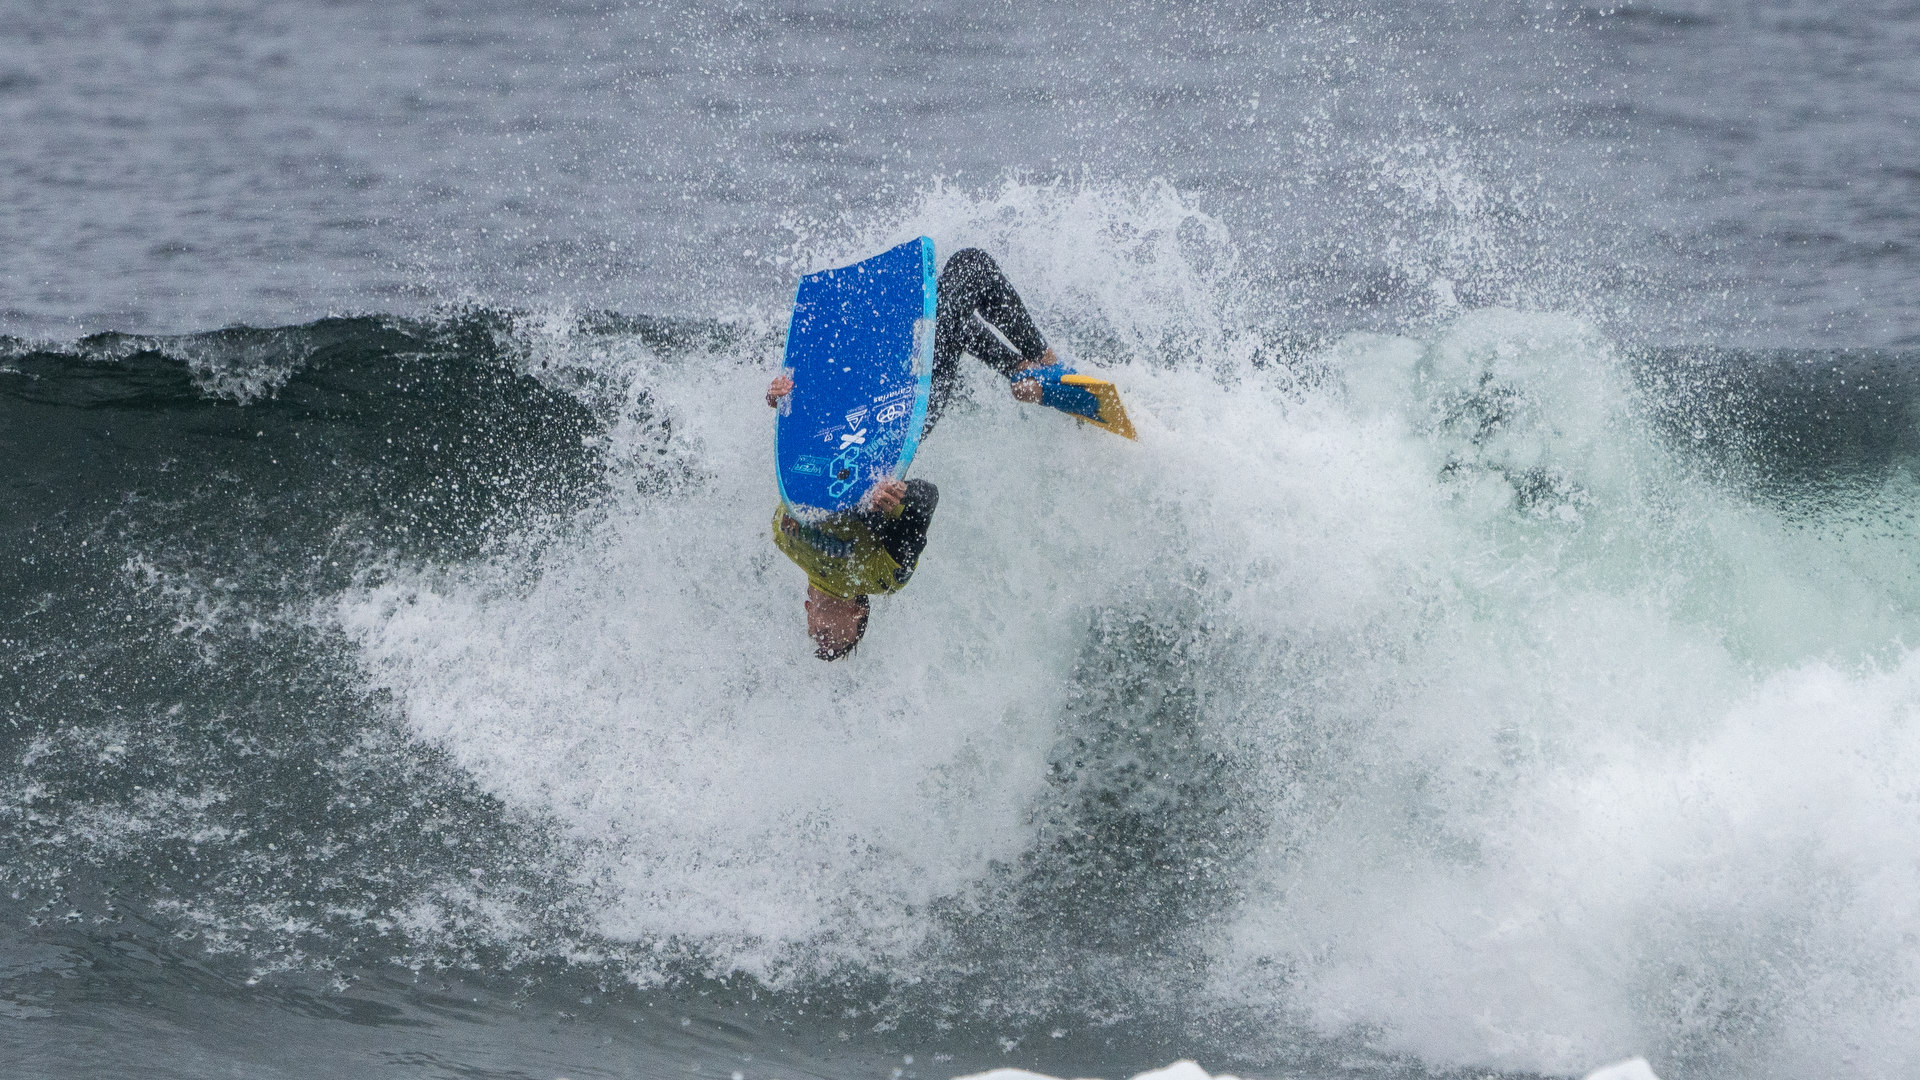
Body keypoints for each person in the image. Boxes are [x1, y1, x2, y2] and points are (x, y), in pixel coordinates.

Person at [767, 247, 1063, 660]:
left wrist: (785, 401)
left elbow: (810, 460)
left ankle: (1020, 370)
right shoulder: (883, 577)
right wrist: (888, 500)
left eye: (820, 640)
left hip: (870, 393)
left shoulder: (784, 537)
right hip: (908, 413)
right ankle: (1043, 367)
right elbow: (927, 498)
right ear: (858, 615)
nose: (824, 642)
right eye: (841, 643)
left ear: (807, 610)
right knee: (968, 270)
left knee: (946, 319)